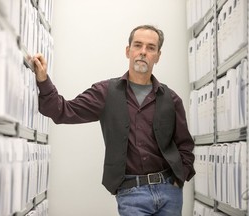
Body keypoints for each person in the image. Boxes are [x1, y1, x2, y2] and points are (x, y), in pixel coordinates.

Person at [33, 24, 195, 216]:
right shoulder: (105, 93)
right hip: (131, 193)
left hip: (170, 192)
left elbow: (184, 144)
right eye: (138, 45)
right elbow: (63, 111)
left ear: (158, 56)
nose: (143, 52)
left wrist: (180, 178)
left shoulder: (171, 98)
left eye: (151, 48)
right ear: (128, 51)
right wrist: (43, 80)